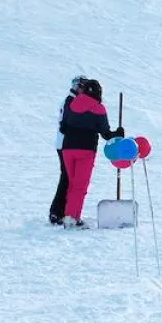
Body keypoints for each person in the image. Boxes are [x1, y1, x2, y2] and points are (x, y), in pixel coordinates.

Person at [58, 79, 124, 228]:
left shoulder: (72, 103)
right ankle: (73, 219)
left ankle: (69, 215)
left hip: (67, 149)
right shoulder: (99, 109)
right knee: (80, 186)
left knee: (72, 184)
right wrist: (118, 133)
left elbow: (63, 127)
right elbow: (106, 134)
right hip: (85, 150)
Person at [50, 75, 87, 225]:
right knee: (66, 178)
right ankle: (57, 212)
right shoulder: (71, 101)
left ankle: (60, 211)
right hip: (66, 145)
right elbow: (64, 125)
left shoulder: (70, 100)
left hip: (65, 144)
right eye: (83, 86)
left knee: (67, 178)